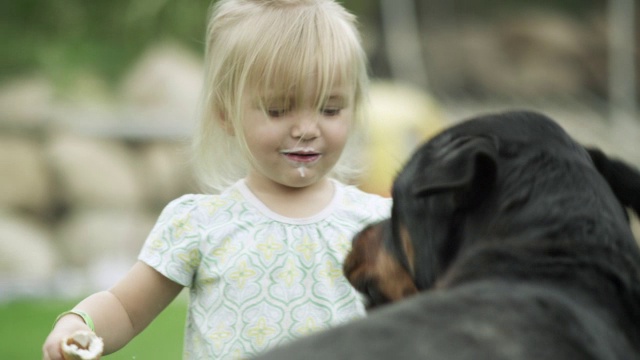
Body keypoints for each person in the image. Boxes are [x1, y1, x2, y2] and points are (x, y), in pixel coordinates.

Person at [42, 0, 391, 359]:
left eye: (330, 108)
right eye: (278, 109)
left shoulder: (383, 225)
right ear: (226, 113)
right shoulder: (200, 224)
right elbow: (125, 308)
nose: (305, 129)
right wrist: (78, 325)